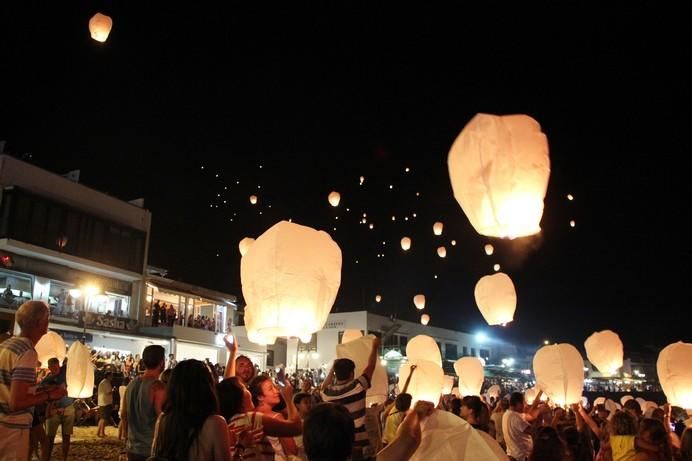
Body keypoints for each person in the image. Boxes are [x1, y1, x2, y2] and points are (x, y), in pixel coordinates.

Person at [0, 301, 67, 460]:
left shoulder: (7, 345)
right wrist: (51, 395)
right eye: (47, 319)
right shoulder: (27, 352)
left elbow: (11, 388)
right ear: (41, 323)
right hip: (12, 429)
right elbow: (17, 402)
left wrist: (42, 390)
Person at [151, 359, 231, 460]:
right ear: (206, 386)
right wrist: (240, 448)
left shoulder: (164, 419)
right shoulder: (216, 423)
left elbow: (156, 454)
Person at [320, 336, 380, 461]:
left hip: (338, 442)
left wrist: (333, 368)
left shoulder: (328, 393)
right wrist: (374, 348)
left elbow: (323, 386)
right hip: (359, 441)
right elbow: (371, 367)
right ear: (352, 373)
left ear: (335, 374)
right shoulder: (358, 386)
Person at [121, 345, 166, 461]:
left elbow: (123, 414)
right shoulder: (158, 387)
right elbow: (161, 419)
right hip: (150, 449)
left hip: (132, 447)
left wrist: (126, 437)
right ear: (162, 362)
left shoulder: (131, 384)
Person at [249, 375, 301, 459]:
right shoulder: (275, 417)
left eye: (274, 387)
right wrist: (288, 399)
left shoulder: (250, 415)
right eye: (270, 389)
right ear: (260, 397)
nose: (276, 391)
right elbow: (292, 450)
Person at [42, 357, 75, 460]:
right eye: (52, 368)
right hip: (53, 410)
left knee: (66, 435)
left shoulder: (65, 372)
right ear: (49, 367)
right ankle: (47, 457)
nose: (55, 370)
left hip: (68, 407)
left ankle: (64, 457)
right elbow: (43, 396)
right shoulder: (46, 381)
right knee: (49, 437)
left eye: (56, 367)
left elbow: (73, 361)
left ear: (59, 366)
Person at [503, 392, 535, 461]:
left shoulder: (507, 414)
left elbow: (528, 416)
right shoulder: (515, 418)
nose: (525, 405)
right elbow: (533, 431)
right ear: (518, 404)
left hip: (513, 454)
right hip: (520, 457)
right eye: (524, 403)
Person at [97, 372, 114, 437]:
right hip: (105, 402)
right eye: (111, 376)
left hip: (102, 402)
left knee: (102, 418)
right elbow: (108, 392)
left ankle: (99, 432)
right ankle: (102, 432)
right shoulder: (106, 383)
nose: (112, 377)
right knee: (104, 419)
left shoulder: (103, 382)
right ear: (108, 376)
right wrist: (113, 390)